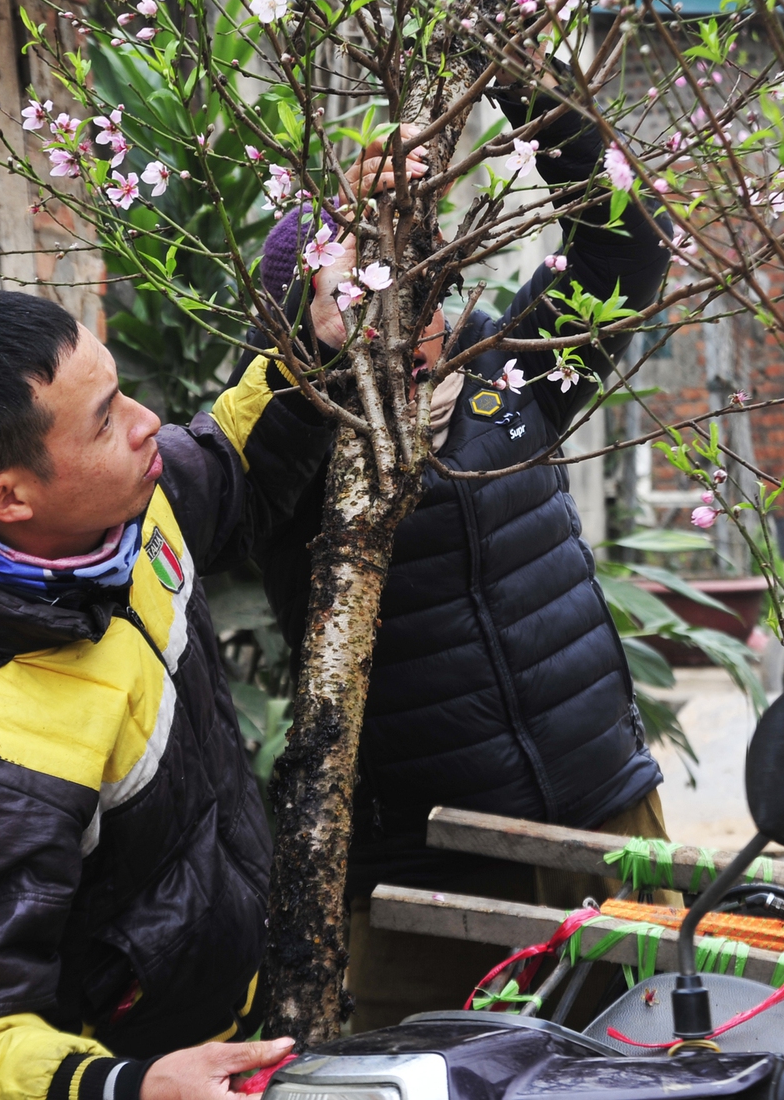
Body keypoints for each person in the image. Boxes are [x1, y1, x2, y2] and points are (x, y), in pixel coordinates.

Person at [0, 289, 327, 1100]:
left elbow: (228, 471)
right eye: (106, 417)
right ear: (11, 497)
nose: (147, 423)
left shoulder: (117, 511)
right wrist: (130, 1088)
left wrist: (315, 345)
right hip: (158, 1065)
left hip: (241, 1001)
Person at [248, 92, 678, 1028]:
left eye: (416, 278)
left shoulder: (499, 378)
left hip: (601, 814)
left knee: (650, 1062)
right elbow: (257, 472)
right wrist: (325, 343)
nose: (416, 315)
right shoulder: (296, 445)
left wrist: (533, 94)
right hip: (425, 868)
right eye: (363, 287)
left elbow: (626, 256)